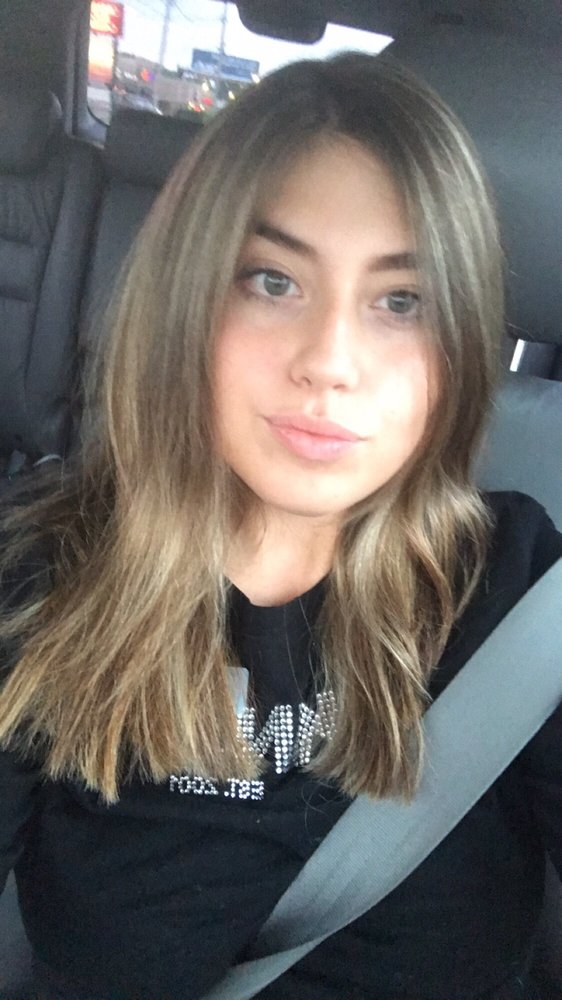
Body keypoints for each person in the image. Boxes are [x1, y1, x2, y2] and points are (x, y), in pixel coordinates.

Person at [0, 52, 560, 1000]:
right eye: (271, 280)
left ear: (461, 341)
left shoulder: (520, 597)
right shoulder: (43, 577)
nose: (329, 361)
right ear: (188, 299)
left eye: (400, 302)